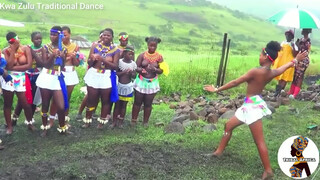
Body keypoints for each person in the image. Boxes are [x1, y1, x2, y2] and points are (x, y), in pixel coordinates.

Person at [203, 41, 307, 180]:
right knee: (228, 126)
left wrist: (217, 89)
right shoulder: (271, 72)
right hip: (251, 104)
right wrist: (295, 60)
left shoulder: (255, 71)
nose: (259, 56)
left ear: (265, 57)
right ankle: (218, 152)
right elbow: (284, 67)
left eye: (260, 54)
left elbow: (235, 82)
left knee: (259, 141)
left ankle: (268, 171)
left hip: (252, 107)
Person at [82, 28, 120, 129]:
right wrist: (92, 59)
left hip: (106, 76)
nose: (106, 37)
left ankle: (101, 123)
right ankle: (87, 121)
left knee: (105, 100)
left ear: (112, 37)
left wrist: (103, 59)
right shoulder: (95, 46)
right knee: (91, 99)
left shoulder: (116, 50)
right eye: (104, 35)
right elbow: (89, 63)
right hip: (94, 74)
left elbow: (115, 66)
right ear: (101, 36)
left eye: (108, 35)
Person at [35, 26, 69, 136]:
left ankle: (62, 127)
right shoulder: (45, 47)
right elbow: (44, 64)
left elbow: (62, 66)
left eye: (54, 35)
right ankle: (45, 128)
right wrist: (53, 56)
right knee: (45, 104)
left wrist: (63, 58)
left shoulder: (64, 49)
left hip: (56, 78)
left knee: (61, 106)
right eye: (50, 34)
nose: (51, 36)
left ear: (60, 36)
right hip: (46, 77)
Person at [1, 32, 36, 134]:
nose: (16, 41)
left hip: (21, 78)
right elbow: (8, 65)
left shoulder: (25, 49)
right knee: (8, 103)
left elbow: (29, 65)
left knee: (25, 102)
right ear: (9, 42)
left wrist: (13, 68)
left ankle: (30, 122)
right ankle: (9, 126)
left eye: (16, 39)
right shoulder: (6, 51)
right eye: (12, 41)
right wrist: (12, 50)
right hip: (8, 78)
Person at [131, 36, 168, 127]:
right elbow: (136, 67)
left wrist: (155, 69)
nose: (152, 48)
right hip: (141, 81)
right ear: (147, 45)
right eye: (151, 46)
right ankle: (134, 120)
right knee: (137, 102)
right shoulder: (142, 55)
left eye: (154, 46)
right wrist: (141, 70)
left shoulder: (159, 57)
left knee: (148, 103)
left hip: (152, 83)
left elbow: (162, 71)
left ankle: (145, 122)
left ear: (156, 46)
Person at [48, 26, 80, 127]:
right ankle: (51, 120)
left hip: (71, 74)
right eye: (61, 35)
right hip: (60, 72)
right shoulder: (57, 47)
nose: (63, 37)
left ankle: (64, 120)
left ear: (70, 34)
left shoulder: (75, 46)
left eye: (65, 35)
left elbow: (77, 63)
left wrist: (74, 57)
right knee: (55, 98)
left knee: (67, 98)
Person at [12, 31, 45, 124]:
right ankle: (15, 117)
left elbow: (42, 63)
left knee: (34, 97)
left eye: (40, 38)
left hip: (38, 74)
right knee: (23, 98)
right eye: (36, 39)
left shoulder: (43, 49)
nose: (39, 40)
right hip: (27, 75)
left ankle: (30, 117)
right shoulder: (27, 48)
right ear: (32, 40)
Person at [111, 45, 136, 128]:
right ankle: (114, 121)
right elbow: (116, 73)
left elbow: (134, 76)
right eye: (129, 54)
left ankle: (121, 122)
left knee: (124, 105)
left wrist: (132, 73)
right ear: (124, 53)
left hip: (128, 87)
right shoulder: (120, 62)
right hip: (119, 86)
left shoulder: (133, 64)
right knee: (117, 105)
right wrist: (124, 72)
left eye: (132, 55)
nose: (131, 56)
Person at [273, 30, 298, 96]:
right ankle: (277, 92)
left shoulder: (294, 44)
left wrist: (293, 46)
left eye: (289, 35)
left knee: (285, 77)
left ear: (292, 37)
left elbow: (295, 54)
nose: (287, 36)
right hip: (282, 62)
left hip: (289, 62)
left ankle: (279, 92)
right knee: (280, 77)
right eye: (287, 35)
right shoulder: (283, 43)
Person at [288, 28, 312, 99]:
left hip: (303, 60)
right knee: (295, 75)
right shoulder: (301, 39)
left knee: (300, 76)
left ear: (306, 31)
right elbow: (298, 50)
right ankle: (291, 91)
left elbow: (305, 51)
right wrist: (294, 45)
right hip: (298, 59)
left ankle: (295, 93)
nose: (301, 30)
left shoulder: (308, 41)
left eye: (303, 29)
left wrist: (298, 45)